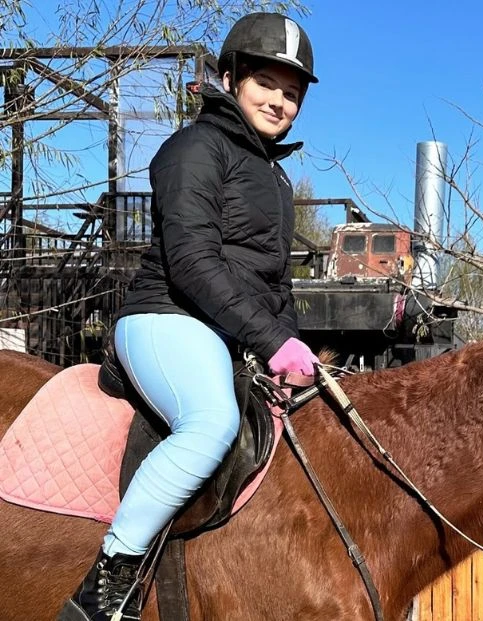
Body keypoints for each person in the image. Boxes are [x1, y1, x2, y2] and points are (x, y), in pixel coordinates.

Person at [58, 13, 319, 621]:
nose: (280, 101)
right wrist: (271, 338)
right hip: (167, 315)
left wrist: (293, 348)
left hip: (224, 331)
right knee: (210, 423)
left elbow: (270, 282)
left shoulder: (275, 176)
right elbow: (193, 262)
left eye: (292, 92)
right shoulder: (194, 148)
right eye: (266, 83)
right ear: (228, 79)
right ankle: (108, 582)